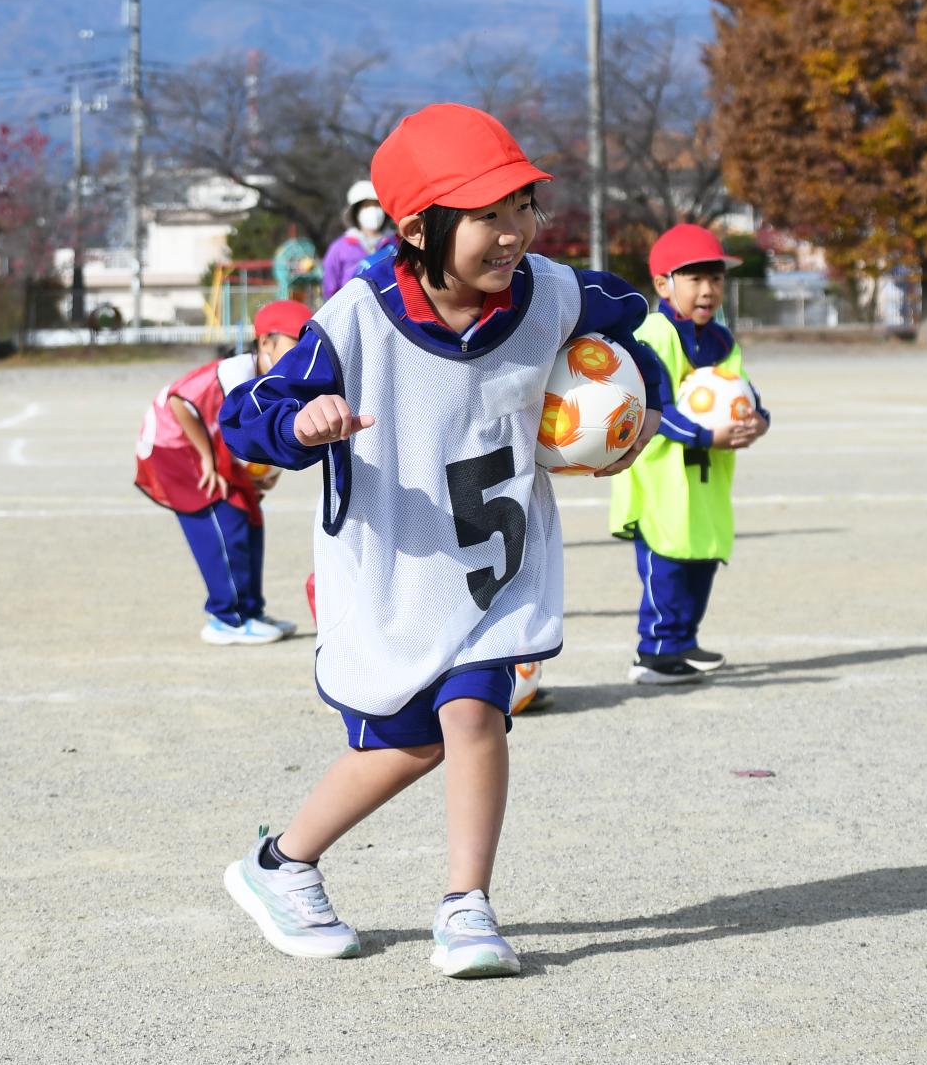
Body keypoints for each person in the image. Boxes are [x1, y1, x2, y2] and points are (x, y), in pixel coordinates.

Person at [217, 103, 669, 978]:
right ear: (419, 228)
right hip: (394, 568)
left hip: (494, 568)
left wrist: (635, 402)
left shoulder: (555, 293)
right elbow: (250, 414)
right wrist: (301, 422)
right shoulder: (358, 321)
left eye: (523, 208)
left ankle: (467, 907)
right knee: (407, 740)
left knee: (475, 710)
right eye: (488, 216)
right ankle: (281, 863)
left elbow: (631, 321)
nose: (514, 235)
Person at [608, 224, 770, 684]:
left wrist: (758, 419)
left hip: (705, 479)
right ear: (663, 285)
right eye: (695, 279)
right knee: (666, 562)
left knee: (701, 558)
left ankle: (684, 642)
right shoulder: (652, 333)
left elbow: (745, 392)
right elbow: (654, 404)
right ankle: (654, 650)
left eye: (716, 279)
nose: (708, 290)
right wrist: (705, 435)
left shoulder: (720, 339)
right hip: (660, 478)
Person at [134, 300, 309, 645]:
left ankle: (250, 610)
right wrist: (207, 460)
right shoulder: (233, 374)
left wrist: (268, 473)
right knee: (223, 522)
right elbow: (179, 402)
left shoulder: (280, 381)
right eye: (294, 343)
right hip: (174, 448)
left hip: (211, 451)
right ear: (265, 344)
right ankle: (225, 617)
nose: (302, 353)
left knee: (249, 518)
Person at [317, 180, 395, 300]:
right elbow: (329, 289)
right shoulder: (339, 248)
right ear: (356, 212)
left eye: (376, 205)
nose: (373, 211)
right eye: (366, 206)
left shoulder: (395, 244)